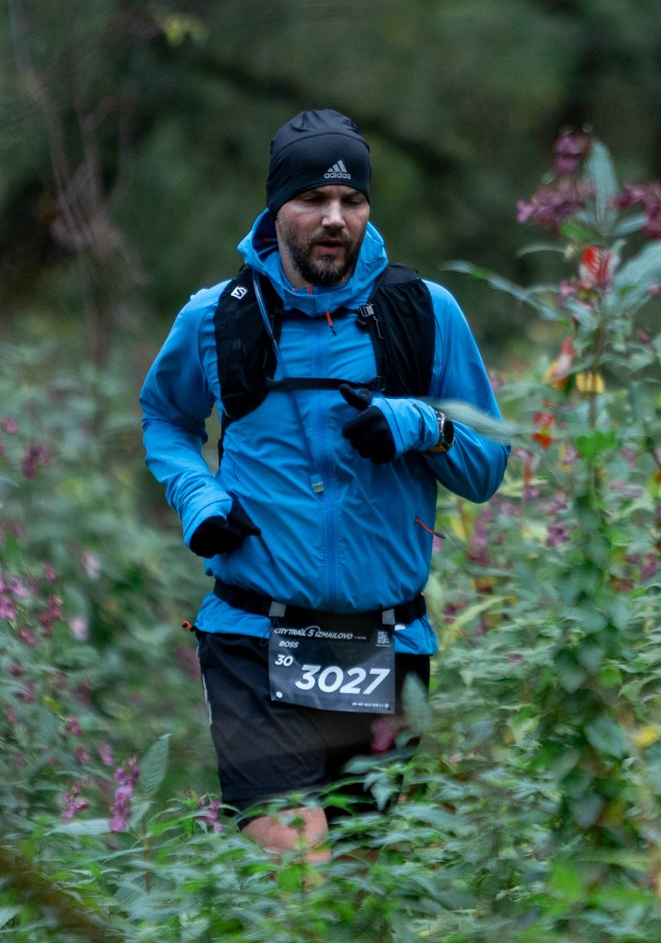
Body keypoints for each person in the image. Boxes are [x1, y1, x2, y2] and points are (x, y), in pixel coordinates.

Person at [139, 109, 509, 856]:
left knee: (362, 882)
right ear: (277, 207)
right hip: (254, 629)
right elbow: (166, 419)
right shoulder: (217, 317)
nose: (333, 218)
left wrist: (420, 425)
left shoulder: (425, 314)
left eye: (352, 201)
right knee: (295, 865)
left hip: (386, 639)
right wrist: (200, 497)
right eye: (312, 199)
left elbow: (485, 467)